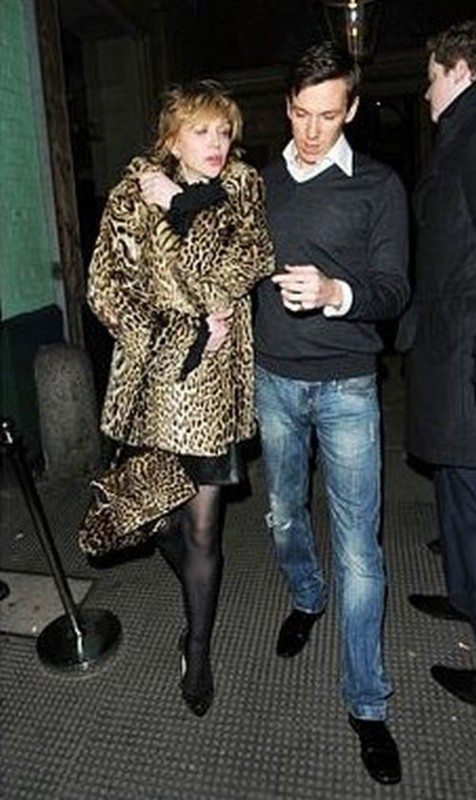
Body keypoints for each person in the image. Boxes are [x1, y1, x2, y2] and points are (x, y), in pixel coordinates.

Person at [83, 80, 274, 716]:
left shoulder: (241, 188)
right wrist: (176, 330)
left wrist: (189, 205)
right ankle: (170, 551)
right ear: (171, 138)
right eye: (201, 130)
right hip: (156, 387)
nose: (217, 143)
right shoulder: (128, 198)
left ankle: (197, 647)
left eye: (224, 131)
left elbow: (243, 266)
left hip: (212, 393)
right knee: (160, 517)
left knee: (204, 527)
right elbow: (104, 290)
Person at [253, 43, 409, 784]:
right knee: (284, 516)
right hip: (273, 380)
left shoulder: (379, 186)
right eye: (301, 114)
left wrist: (334, 293)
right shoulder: (260, 183)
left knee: (359, 550)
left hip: (348, 386)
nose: (313, 131)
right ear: (287, 106)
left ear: (350, 110)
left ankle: (367, 704)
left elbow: (394, 291)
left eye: (328, 115)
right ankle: (307, 597)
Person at [399, 20, 476, 706]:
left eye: (431, 77)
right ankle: (463, 594)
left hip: (468, 354)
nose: (425, 92)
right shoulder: (458, 136)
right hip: (451, 350)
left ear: (460, 70)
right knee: (456, 485)